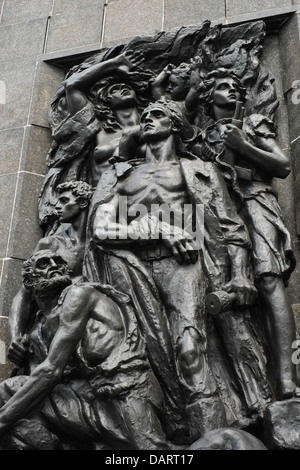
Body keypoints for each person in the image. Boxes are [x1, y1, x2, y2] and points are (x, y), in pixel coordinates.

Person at [88, 99, 259, 440]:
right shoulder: (119, 174)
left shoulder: (200, 171)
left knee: (189, 348)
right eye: (145, 115)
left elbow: (230, 226)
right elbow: (99, 228)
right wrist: (159, 227)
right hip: (130, 266)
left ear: (177, 124)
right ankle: (167, 430)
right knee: (145, 355)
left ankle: (213, 440)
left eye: (158, 115)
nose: (148, 119)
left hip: (185, 264)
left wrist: (240, 274)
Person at [0, 250, 174, 450]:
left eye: (58, 261)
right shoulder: (40, 328)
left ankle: (217, 440)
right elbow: (36, 384)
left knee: (154, 453)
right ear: (29, 283)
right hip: (90, 403)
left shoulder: (79, 295)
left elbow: (50, 371)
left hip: (127, 394)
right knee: (12, 401)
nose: (54, 266)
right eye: (44, 264)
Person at [197, 68, 299, 400]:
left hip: (255, 202)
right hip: (217, 214)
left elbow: (281, 165)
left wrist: (243, 144)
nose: (233, 91)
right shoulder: (201, 137)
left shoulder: (253, 122)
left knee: (269, 281)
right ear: (208, 98)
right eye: (223, 87)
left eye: (237, 87)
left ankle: (285, 378)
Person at [38, 49, 146, 232]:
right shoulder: (96, 129)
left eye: (126, 87)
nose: (123, 88)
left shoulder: (154, 124)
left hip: (139, 204)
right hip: (99, 206)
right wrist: (114, 63)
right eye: (115, 89)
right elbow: (72, 86)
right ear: (105, 102)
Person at [8, 181, 93, 370]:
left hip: (91, 326)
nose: (57, 206)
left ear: (82, 203)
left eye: (64, 201)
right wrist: (16, 335)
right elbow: (25, 293)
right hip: (51, 328)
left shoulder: (102, 241)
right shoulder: (51, 245)